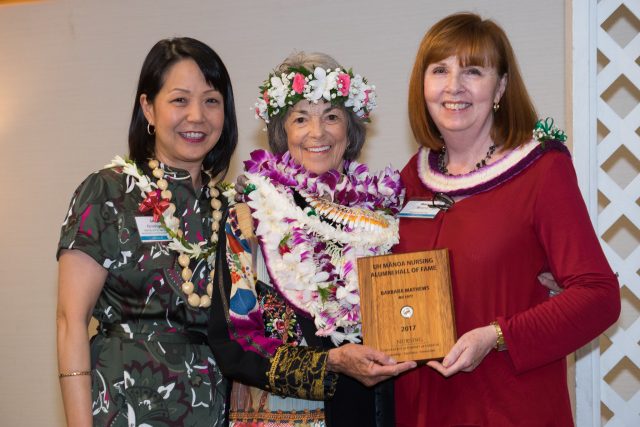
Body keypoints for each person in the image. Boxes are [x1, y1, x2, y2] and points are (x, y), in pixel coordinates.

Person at [393, 12, 620, 426]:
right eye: (439, 70)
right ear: (421, 84)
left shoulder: (540, 170)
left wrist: (497, 336)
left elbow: (599, 295)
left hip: (508, 407)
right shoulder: (412, 176)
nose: (453, 86)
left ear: (500, 86)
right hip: (422, 410)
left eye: (473, 71)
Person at [207, 52, 416, 427]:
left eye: (331, 117)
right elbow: (235, 342)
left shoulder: (382, 216)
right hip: (284, 413)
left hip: (370, 411)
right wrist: (329, 363)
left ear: (350, 131)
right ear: (282, 133)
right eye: (300, 119)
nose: (317, 133)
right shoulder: (249, 216)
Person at [56, 37, 237, 426]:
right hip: (125, 404)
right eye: (179, 100)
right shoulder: (109, 191)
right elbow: (71, 320)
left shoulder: (233, 209)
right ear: (147, 108)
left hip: (212, 407)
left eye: (211, 100)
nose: (197, 116)